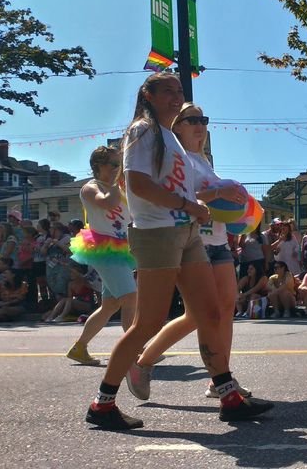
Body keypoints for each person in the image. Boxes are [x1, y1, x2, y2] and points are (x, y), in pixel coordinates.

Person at [84, 74, 270, 430]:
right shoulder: (143, 131)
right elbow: (137, 184)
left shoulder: (171, 139)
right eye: (167, 90)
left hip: (186, 234)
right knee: (148, 322)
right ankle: (103, 403)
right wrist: (190, 205)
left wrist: (203, 202)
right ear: (148, 95)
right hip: (156, 234)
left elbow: (185, 187)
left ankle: (228, 396)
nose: (175, 96)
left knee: (210, 313)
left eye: (179, 91)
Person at [126, 102, 265, 402]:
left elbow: (215, 204)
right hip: (192, 244)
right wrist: (219, 193)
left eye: (203, 119)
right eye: (191, 119)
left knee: (225, 310)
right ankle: (144, 362)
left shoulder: (203, 161)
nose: (200, 125)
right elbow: (178, 198)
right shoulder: (176, 158)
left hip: (218, 243)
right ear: (176, 125)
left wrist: (240, 210)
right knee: (198, 316)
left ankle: (220, 381)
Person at [65, 146, 138, 366]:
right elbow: (107, 202)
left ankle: (79, 348)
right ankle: (133, 351)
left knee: (110, 305)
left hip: (121, 249)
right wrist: (118, 182)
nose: (118, 168)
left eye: (120, 164)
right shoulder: (90, 187)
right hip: (103, 249)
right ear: (98, 166)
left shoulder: (120, 190)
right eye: (114, 164)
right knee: (130, 298)